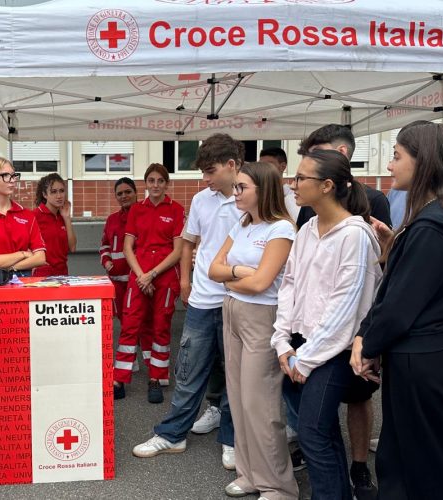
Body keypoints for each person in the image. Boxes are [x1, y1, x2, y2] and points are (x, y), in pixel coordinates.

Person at [351, 122, 443, 499]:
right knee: (407, 460)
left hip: (421, 357)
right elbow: (399, 289)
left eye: (396, 156)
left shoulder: (434, 224)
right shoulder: (437, 217)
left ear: (424, 161)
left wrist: (367, 344)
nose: (389, 165)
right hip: (419, 355)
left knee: (422, 469)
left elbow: (399, 304)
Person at [271, 149, 383, 500]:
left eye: (301, 178)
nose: (293, 184)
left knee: (312, 431)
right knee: (321, 431)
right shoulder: (307, 229)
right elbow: (289, 285)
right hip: (302, 343)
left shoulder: (355, 235)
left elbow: (345, 307)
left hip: (337, 351)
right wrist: (282, 340)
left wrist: (305, 359)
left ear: (327, 185)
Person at [131, 134, 241, 471]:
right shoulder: (201, 199)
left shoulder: (252, 196)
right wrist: (184, 280)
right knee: (188, 370)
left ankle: (232, 439)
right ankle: (173, 434)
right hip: (203, 298)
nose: (205, 179)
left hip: (238, 299)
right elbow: (189, 243)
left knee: (234, 374)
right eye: (203, 173)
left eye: (210, 172)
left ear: (232, 165)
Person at [208, 162, 297, 499]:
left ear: (264, 189)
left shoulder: (281, 229)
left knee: (260, 403)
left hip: (261, 317)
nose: (235, 193)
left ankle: (277, 486)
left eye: (242, 187)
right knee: (239, 398)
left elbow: (261, 284)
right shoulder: (243, 223)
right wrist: (240, 272)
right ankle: (249, 474)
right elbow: (212, 269)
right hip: (232, 311)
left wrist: (231, 276)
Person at [113, 163, 184, 403]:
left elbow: (178, 251)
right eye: (151, 181)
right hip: (139, 273)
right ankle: (119, 379)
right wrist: (142, 275)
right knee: (130, 324)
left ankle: (156, 378)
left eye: (160, 181)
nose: (155, 185)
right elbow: (127, 248)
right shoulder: (137, 209)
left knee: (160, 326)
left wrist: (151, 275)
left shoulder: (176, 210)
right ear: (146, 183)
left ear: (167, 184)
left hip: (164, 275)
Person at [0, 157, 46, 276]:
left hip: (25, 283)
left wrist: (9, 267)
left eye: (13, 175)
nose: (12, 180)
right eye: (5, 175)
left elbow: (40, 258)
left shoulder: (27, 215)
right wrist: (23, 254)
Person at [100, 177, 138, 320]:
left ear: (136, 192)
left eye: (128, 192)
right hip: (116, 280)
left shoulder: (143, 216)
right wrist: (106, 262)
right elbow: (104, 245)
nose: (124, 196)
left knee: (139, 320)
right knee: (123, 319)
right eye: (119, 194)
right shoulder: (112, 219)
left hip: (138, 280)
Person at [32, 173, 75, 277]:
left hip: (63, 273)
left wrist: (67, 218)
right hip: (42, 274)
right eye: (54, 192)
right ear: (45, 194)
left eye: (62, 191)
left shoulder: (63, 216)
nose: (59, 196)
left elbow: (72, 247)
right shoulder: (34, 216)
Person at [259, 147, 300, 221]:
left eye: (268, 165)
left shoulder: (294, 196)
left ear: (283, 166)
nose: (263, 169)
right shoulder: (257, 195)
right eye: (261, 165)